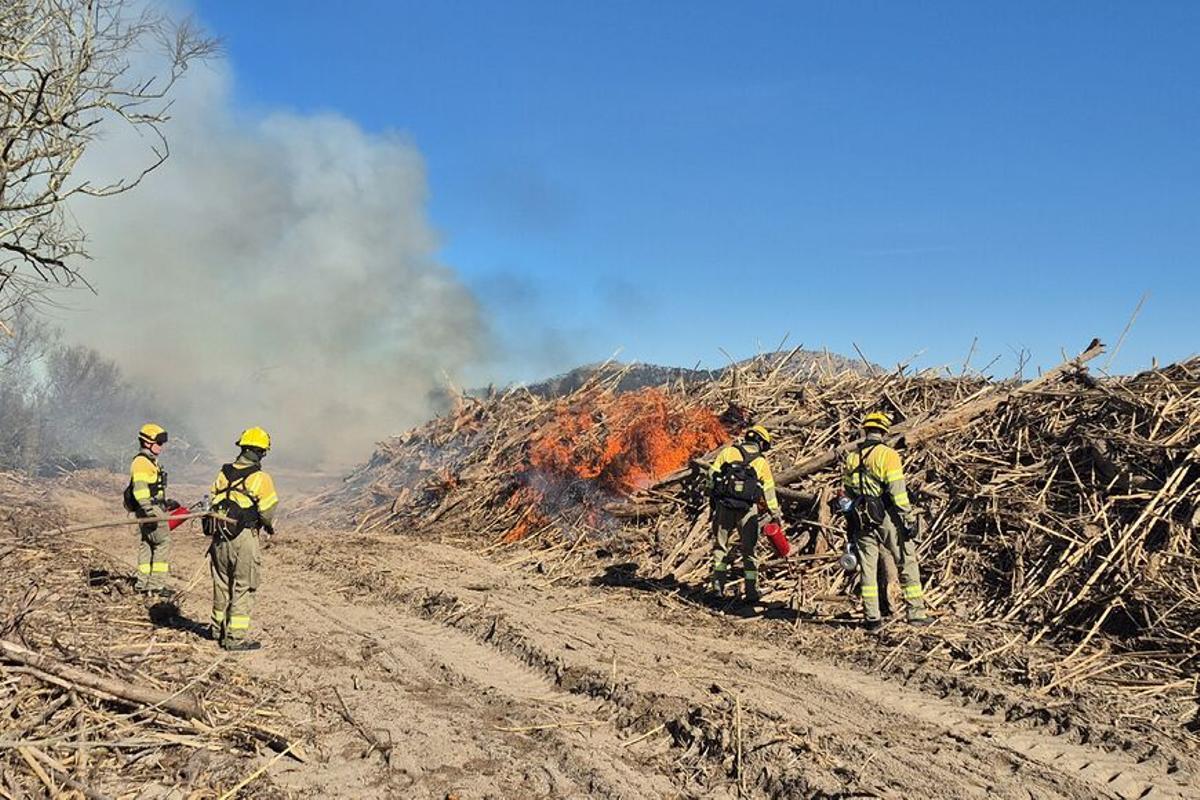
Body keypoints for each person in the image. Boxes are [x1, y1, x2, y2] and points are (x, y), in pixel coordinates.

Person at [841, 412, 931, 630]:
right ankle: (915, 613)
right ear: (883, 431)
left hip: (861, 516)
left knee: (867, 568)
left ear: (866, 430)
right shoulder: (888, 455)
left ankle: (872, 618)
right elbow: (898, 492)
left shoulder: (852, 456)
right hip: (887, 516)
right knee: (906, 560)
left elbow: (847, 490)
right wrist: (907, 519)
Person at [206, 427, 278, 652]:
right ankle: (235, 638)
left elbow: (211, 500)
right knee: (244, 586)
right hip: (244, 538)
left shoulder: (223, 473)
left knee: (221, 584)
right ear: (261, 452)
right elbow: (267, 513)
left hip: (219, 537)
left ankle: (217, 630)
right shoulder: (261, 478)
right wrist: (266, 526)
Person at [707, 425, 782, 604]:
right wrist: (774, 512)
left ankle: (718, 587)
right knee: (749, 552)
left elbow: (711, 476)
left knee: (720, 548)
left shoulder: (728, 453)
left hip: (724, 507)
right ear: (761, 443)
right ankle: (751, 593)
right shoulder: (761, 462)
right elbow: (769, 490)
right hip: (747, 511)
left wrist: (713, 500)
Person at [124, 423, 176, 594]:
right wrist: (149, 510)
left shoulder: (149, 462)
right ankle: (156, 585)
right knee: (162, 542)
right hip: (150, 510)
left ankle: (142, 583)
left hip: (152, 507)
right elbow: (140, 488)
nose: (161, 447)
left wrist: (166, 503)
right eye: (158, 443)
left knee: (147, 543)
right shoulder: (141, 462)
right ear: (147, 443)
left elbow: (152, 488)